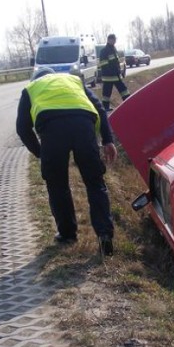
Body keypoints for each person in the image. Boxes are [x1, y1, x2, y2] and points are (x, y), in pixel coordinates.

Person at [16, 67, 117, 257]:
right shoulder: (74, 81)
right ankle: (105, 234)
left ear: (36, 78)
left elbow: (22, 128)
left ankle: (67, 234)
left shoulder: (31, 88)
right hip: (83, 127)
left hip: (52, 132)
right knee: (95, 183)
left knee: (57, 186)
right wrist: (108, 140)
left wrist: (40, 152)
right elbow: (100, 109)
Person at [97, 33, 130, 111]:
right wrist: (113, 72)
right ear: (109, 40)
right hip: (109, 76)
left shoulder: (113, 49)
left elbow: (116, 62)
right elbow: (104, 64)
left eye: (115, 40)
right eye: (113, 40)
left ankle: (129, 102)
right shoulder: (104, 51)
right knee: (106, 94)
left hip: (116, 75)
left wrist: (118, 71)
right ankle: (105, 108)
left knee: (123, 90)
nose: (115, 41)